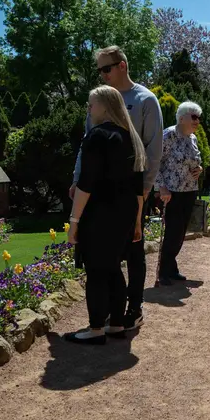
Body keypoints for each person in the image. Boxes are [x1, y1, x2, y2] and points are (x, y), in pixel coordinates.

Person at [71, 46, 163, 330]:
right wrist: (77, 179)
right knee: (105, 257)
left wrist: (144, 190)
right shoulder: (99, 100)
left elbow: (153, 149)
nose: (102, 74)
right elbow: (86, 143)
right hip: (99, 194)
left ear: (122, 65)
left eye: (106, 69)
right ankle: (111, 312)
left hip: (132, 190)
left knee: (133, 251)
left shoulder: (145, 100)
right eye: (99, 70)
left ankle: (133, 309)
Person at [64, 86, 145, 345]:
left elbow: (86, 183)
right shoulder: (130, 137)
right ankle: (117, 323)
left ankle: (97, 327)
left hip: (100, 212)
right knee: (113, 268)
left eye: (92, 104)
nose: (89, 109)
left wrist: (74, 221)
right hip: (124, 212)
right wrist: (137, 221)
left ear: (106, 107)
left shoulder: (97, 136)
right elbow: (137, 188)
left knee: (97, 270)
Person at [154, 101, 204, 286]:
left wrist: (199, 169)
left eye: (198, 118)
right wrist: (162, 187)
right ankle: (163, 272)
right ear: (182, 118)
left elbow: (195, 161)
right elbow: (155, 162)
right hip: (171, 192)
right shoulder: (168, 135)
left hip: (189, 190)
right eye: (194, 117)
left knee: (181, 232)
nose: (197, 121)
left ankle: (171, 269)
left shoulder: (192, 138)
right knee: (173, 231)